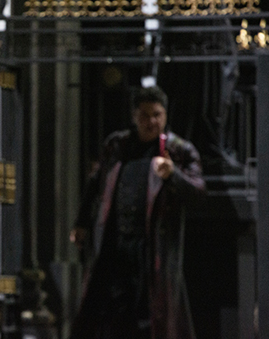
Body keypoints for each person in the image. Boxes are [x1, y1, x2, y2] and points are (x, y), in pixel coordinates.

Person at [69, 86, 205, 339]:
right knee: (113, 308)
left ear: (164, 116)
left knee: (151, 310)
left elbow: (198, 191)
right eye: (144, 115)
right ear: (134, 116)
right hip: (116, 241)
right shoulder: (117, 145)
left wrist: (173, 174)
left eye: (156, 115)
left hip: (153, 245)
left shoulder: (178, 150)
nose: (151, 122)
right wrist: (82, 223)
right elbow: (95, 182)